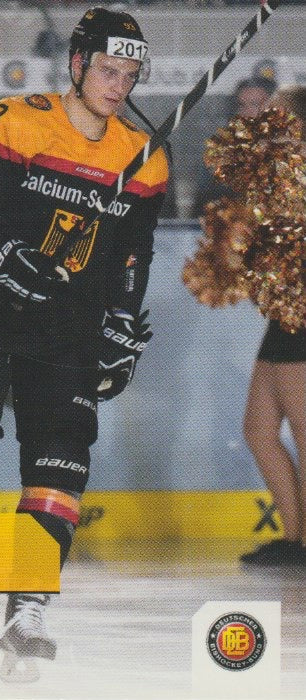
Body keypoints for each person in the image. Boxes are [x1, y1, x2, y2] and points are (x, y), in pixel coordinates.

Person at [0, 6, 168, 677]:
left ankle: (26, 611)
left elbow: (133, 253)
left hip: (65, 324)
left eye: (129, 75)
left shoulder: (143, 158)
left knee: (60, 465)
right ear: (78, 64)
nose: (118, 85)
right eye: (107, 70)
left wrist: (121, 320)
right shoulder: (12, 121)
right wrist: (3, 255)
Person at [240, 85, 306, 567]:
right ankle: (294, 535)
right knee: (259, 429)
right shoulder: (277, 175)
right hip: (283, 314)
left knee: (303, 430)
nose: (268, 124)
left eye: (277, 116)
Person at [191, 75, 276, 218]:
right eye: (242, 105)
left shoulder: (293, 152)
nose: (246, 113)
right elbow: (202, 211)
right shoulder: (220, 156)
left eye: (255, 105)